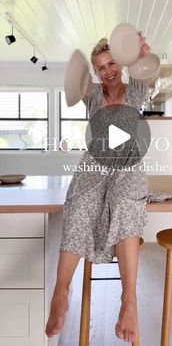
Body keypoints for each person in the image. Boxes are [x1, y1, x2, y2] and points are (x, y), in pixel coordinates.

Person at [45, 34, 150, 343]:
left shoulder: (136, 90)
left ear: (122, 63)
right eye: (100, 67)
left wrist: (140, 52)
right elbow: (76, 84)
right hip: (94, 165)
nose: (107, 71)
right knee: (79, 207)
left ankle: (128, 300)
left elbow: (145, 67)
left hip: (128, 165)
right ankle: (60, 293)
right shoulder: (92, 96)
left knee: (124, 206)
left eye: (112, 63)